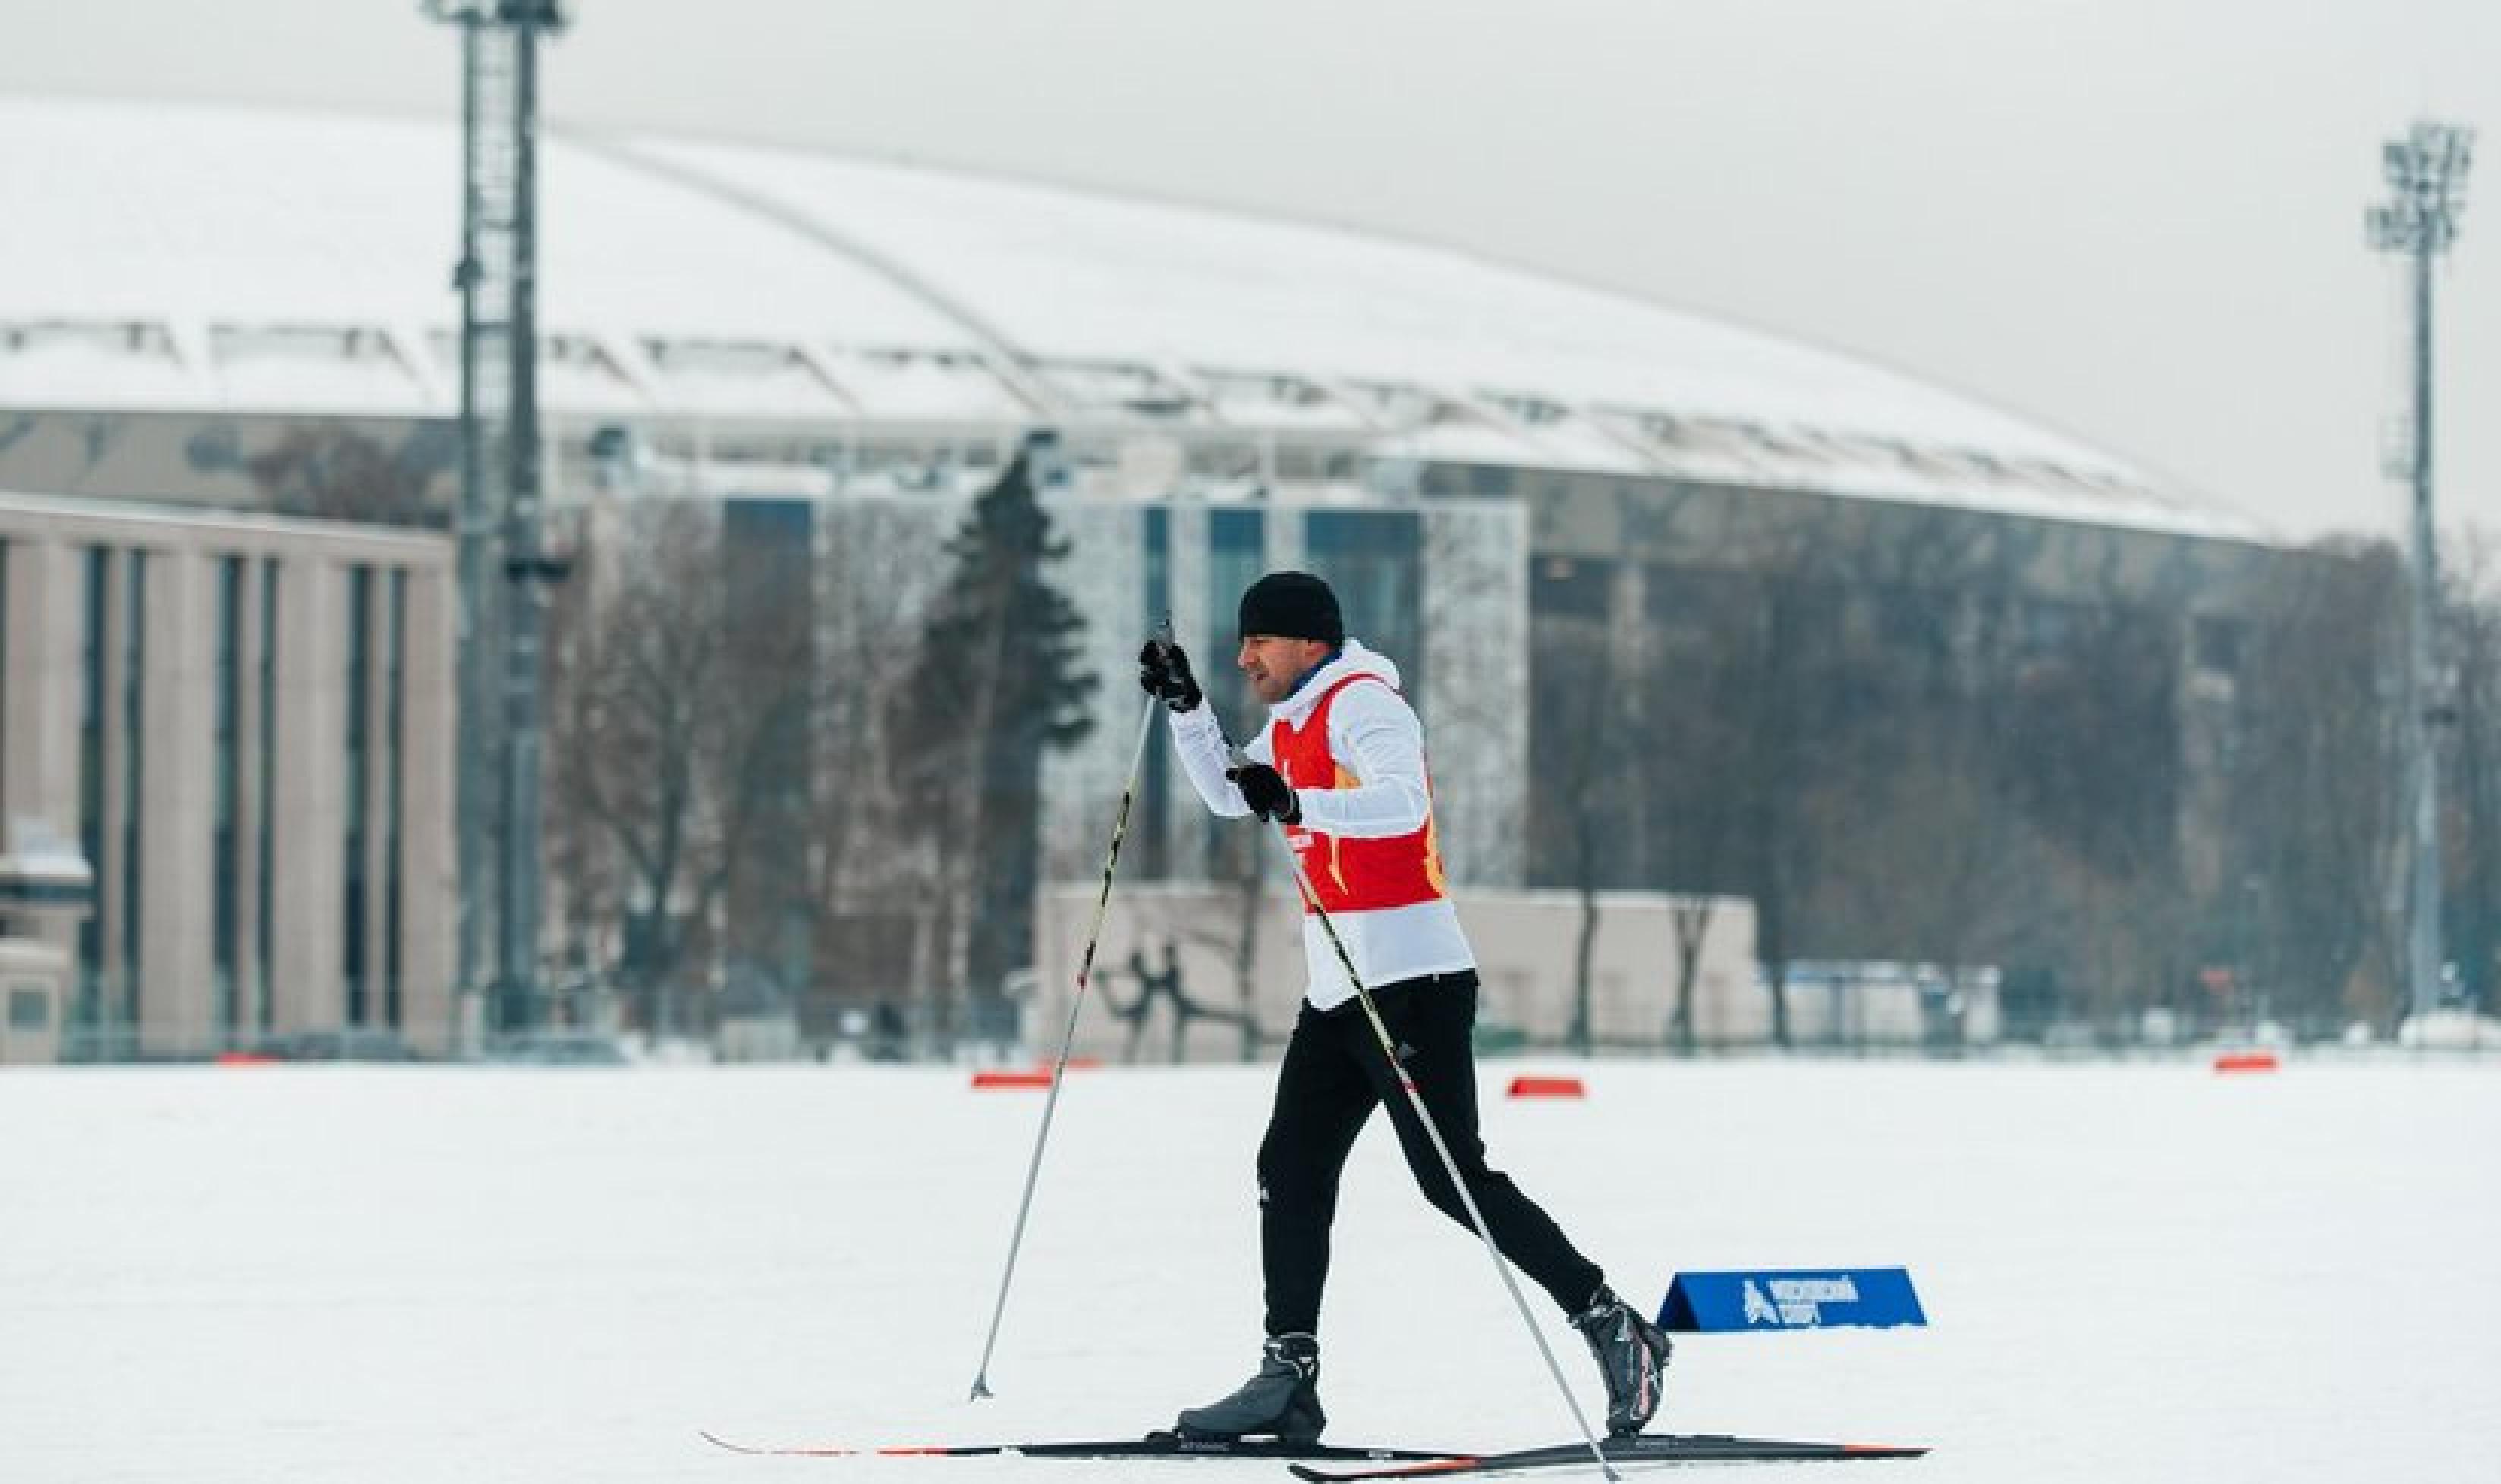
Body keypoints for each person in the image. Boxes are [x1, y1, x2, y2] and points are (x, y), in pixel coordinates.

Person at [1137, 570, 1671, 1445]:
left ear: (1307, 639)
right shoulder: (1292, 718)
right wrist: (1187, 710)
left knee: (1451, 1181)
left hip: (1411, 984)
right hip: (1336, 992)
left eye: (1257, 642)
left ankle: (1613, 1322)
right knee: (1290, 1170)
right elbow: (1233, 795)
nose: (1245, 658)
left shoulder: (1363, 702)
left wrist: (1299, 799)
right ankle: (1289, 1376)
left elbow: (1402, 804)